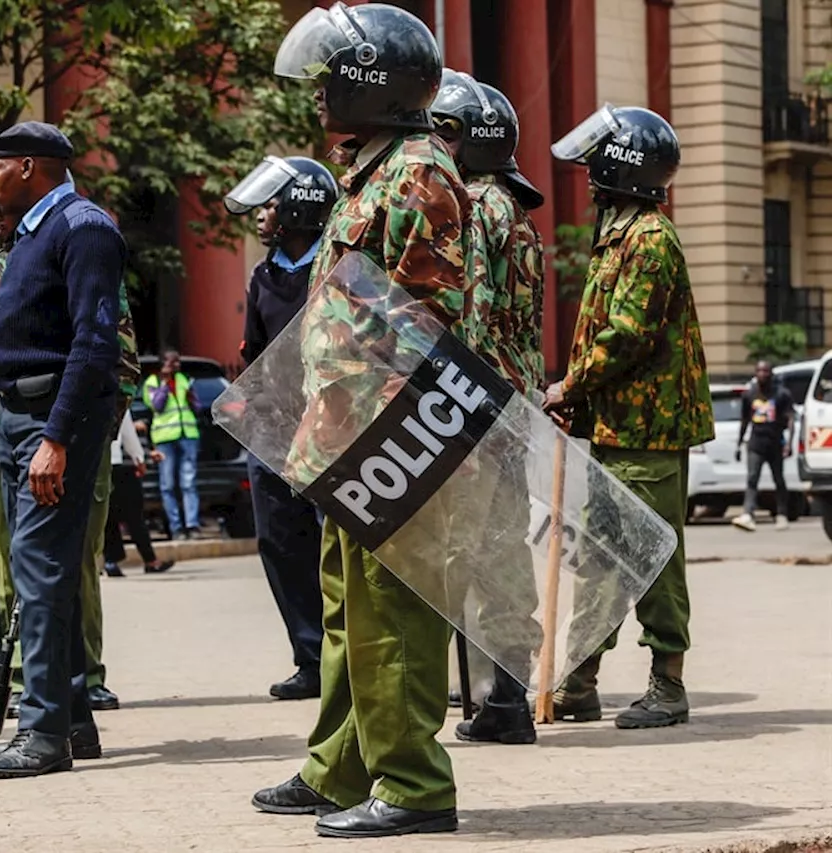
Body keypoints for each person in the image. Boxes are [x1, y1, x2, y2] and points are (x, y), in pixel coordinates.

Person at [250, 4, 471, 838]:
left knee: (392, 618)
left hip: (386, 438)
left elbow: (427, 319)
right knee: (349, 615)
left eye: (332, 76)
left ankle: (414, 784)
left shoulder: (418, 171)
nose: (318, 92)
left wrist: (383, 438)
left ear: (372, 84)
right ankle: (344, 766)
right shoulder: (370, 169)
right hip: (344, 436)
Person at [545, 104, 714, 729]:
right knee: (600, 553)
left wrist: (569, 385)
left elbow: (625, 335)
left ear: (620, 167)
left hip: (649, 430)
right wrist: (582, 400)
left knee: (651, 554)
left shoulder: (647, 240)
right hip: (617, 426)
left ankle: (668, 685)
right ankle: (581, 681)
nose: (587, 173)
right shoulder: (618, 232)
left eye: (595, 163)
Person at [0, 121, 124, 778]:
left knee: (40, 576)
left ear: (28, 167)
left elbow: (93, 343)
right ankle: (73, 720)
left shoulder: (83, 226)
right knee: (41, 571)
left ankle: (41, 731)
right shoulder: (36, 230)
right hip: (19, 415)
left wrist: (56, 437)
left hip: (49, 419)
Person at [430, 69, 545, 745]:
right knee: (505, 552)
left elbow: (469, 318)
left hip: (479, 407)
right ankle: (507, 695)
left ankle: (495, 695)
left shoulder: (475, 207)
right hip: (515, 403)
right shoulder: (516, 210)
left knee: (464, 551)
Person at [225, 154, 337, 701]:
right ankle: (310, 657)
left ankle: (344, 659)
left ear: (300, 208)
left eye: (271, 204)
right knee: (280, 541)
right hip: (273, 430)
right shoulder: (263, 274)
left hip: (329, 428)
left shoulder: (336, 267)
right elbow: (252, 351)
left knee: (333, 546)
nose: (263, 216)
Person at [102, 409, 172, 577]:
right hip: (115, 462)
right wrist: (139, 458)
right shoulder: (114, 390)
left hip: (92, 464)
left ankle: (111, 561)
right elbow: (126, 429)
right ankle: (150, 560)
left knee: (106, 515)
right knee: (134, 514)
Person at [142, 350, 201, 539]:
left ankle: (192, 525)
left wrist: (192, 398)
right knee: (167, 484)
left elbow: (197, 407)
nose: (177, 364)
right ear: (163, 363)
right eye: (172, 361)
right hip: (164, 437)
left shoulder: (184, 379)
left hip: (188, 434)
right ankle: (176, 528)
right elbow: (157, 405)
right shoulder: (152, 382)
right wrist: (165, 384)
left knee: (189, 482)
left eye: (178, 361)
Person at [732, 360, 795, 532]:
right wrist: (738, 444)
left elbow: (790, 419)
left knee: (779, 480)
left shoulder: (781, 394)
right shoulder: (749, 395)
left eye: (765, 371)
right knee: (752, 478)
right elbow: (745, 420)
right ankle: (748, 514)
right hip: (756, 443)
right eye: (759, 370)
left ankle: (782, 515)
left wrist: (789, 444)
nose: (762, 374)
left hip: (775, 443)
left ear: (771, 373)